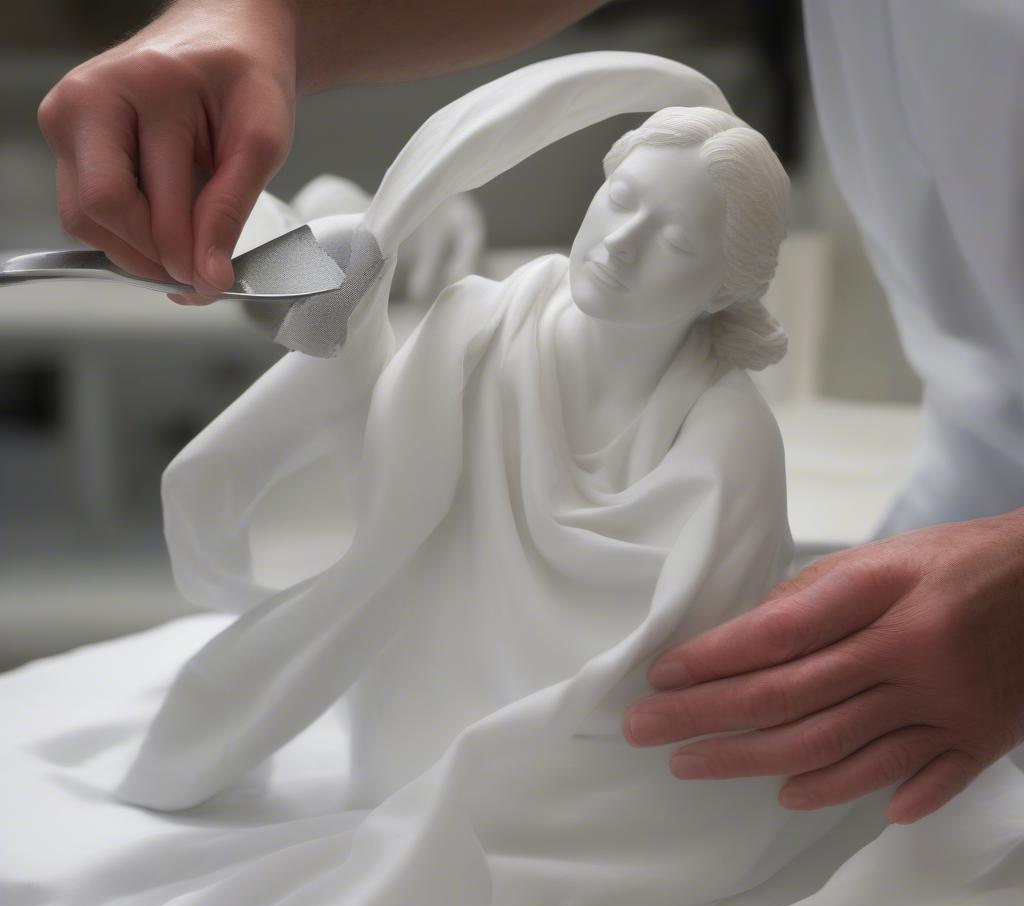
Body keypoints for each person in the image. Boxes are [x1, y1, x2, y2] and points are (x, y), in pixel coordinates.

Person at [35, 0, 1024, 829]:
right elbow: (370, 441)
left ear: (724, 285)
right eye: (619, 199)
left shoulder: (720, 441)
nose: (619, 245)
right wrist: (264, 18)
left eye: (672, 239)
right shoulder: (489, 325)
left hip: (618, 774)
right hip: (427, 730)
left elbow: (685, 665)